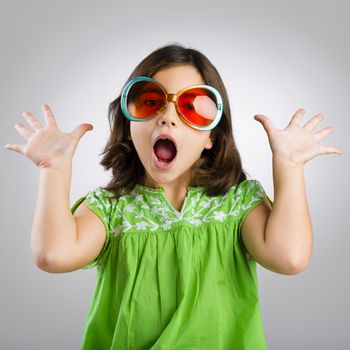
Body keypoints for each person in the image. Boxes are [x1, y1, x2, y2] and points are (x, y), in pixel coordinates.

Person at [5, 43, 342, 349]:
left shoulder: (236, 203)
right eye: (150, 102)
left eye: (193, 108)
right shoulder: (112, 210)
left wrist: (289, 166)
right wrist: (54, 169)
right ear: (129, 123)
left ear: (212, 137)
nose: (167, 116)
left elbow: (290, 257)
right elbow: (52, 254)